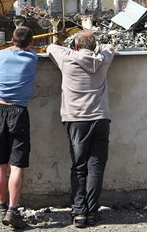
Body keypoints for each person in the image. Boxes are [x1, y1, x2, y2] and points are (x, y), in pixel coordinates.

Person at [46, 30, 115, 228]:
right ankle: (92, 212)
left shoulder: (68, 59)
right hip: (100, 118)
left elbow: (51, 47)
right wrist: (96, 49)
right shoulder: (103, 59)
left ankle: (79, 214)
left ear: (76, 46)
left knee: (78, 167)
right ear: (94, 46)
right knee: (96, 168)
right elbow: (109, 47)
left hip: (76, 120)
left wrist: (75, 51)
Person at [0, 26, 38, 229]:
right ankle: (13, 211)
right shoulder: (32, 58)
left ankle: (2, 208)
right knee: (16, 166)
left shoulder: (2, 56)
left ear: (12, 40)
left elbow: (5, 51)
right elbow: (23, 49)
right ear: (31, 43)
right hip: (19, 113)